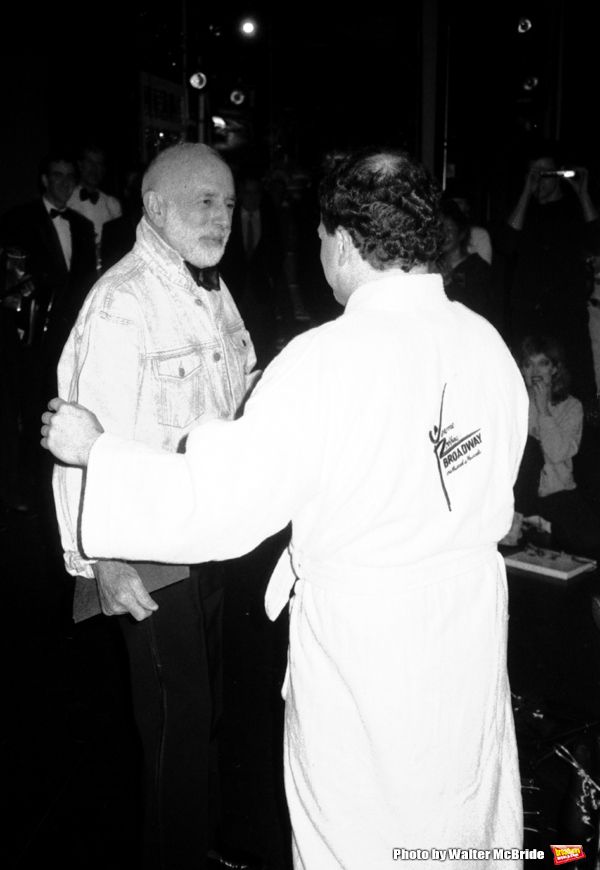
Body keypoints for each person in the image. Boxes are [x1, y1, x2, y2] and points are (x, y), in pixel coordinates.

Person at [42, 147, 529, 870]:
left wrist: (95, 454)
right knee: (456, 818)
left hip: (371, 649)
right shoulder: (482, 341)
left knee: (364, 835)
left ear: (341, 239)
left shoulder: (327, 359)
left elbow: (218, 501)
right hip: (464, 631)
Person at [51, 143, 261, 870]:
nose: (223, 217)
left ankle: (196, 846)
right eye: (206, 201)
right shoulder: (121, 301)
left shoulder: (211, 291)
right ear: (159, 207)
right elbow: (78, 445)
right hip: (144, 553)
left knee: (207, 721)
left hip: (204, 537)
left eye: (230, 204)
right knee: (177, 725)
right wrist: (101, 563)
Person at [498, 140, 600, 400]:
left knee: (576, 386)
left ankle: (581, 437)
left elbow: (596, 242)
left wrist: (583, 193)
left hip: (566, 315)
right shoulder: (523, 210)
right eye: (535, 173)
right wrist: (525, 191)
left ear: (558, 174)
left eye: (545, 174)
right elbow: (507, 244)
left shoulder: (575, 208)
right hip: (529, 314)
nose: (540, 180)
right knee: (528, 386)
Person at [512, 334, 600, 557]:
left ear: (554, 369)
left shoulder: (572, 407)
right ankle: (523, 520)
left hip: (558, 491)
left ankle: (542, 525)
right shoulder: (514, 402)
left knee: (591, 540)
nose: (535, 372)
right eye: (528, 364)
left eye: (543, 363)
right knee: (530, 447)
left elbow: (558, 452)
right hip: (522, 494)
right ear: (522, 371)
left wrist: (543, 411)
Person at [439, 198, 496, 324]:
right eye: (441, 229)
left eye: (449, 230)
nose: (444, 235)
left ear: (461, 234)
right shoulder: (434, 264)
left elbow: (479, 311)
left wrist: (450, 283)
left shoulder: (478, 268)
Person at [67, 143, 122, 271]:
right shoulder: (67, 200)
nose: (94, 169)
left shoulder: (112, 204)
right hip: (75, 271)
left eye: (99, 164)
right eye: (90, 163)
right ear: (80, 165)